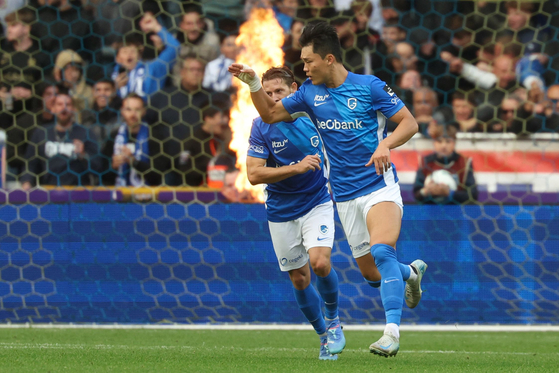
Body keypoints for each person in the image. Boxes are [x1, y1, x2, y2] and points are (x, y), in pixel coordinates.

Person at [229, 21, 426, 357]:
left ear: (329, 59)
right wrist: (251, 84)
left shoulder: (370, 87)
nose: (304, 69)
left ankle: (391, 332)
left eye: (308, 62)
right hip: (346, 196)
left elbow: (410, 123)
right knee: (372, 274)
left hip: (378, 184)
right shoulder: (308, 94)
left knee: (382, 252)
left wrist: (386, 145)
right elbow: (270, 113)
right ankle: (409, 273)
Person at [247, 66, 345, 360]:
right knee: (300, 280)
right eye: (269, 93)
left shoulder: (313, 114)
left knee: (320, 263)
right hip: (280, 209)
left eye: (280, 91)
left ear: (294, 89)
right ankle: (323, 337)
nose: (274, 98)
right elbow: (253, 175)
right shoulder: (259, 125)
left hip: (317, 201)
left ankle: (334, 320)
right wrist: (296, 167)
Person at [20, 90, 100, 190]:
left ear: (74, 109)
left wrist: (82, 155)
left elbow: (98, 167)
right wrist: (26, 183)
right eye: (60, 104)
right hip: (49, 191)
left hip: (78, 192)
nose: (64, 108)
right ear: (53, 109)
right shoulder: (41, 133)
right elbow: (30, 164)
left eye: (68, 104)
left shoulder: (86, 133)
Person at [112, 12, 180, 99]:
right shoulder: (113, 77)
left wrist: (156, 27)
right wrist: (115, 89)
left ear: (139, 55)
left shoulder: (153, 68)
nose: (129, 54)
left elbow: (174, 47)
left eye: (133, 51)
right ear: (117, 58)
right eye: (125, 51)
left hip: (149, 111)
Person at [101, 93, 161, 187]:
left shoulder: (155, 136)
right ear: (122, 111)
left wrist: (134, 162)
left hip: (147, 196)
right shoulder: (114, 136)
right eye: (128, 109)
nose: (133, 115)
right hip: (119, 195)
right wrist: (113, 167)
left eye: (137, 110)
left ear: (144, 111)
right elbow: (102, 174)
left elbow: (158, 176)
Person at [413, 124, 478, 204]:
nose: (443, 146)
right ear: (434, 142)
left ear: (454, 143)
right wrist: (426, 191)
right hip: (430, 210)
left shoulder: (464, 163)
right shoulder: (425, 162)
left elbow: (473, 195)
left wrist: (450, 193)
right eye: (439, 141)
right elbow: (416, 194)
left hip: (456, 211)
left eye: (448, 141)